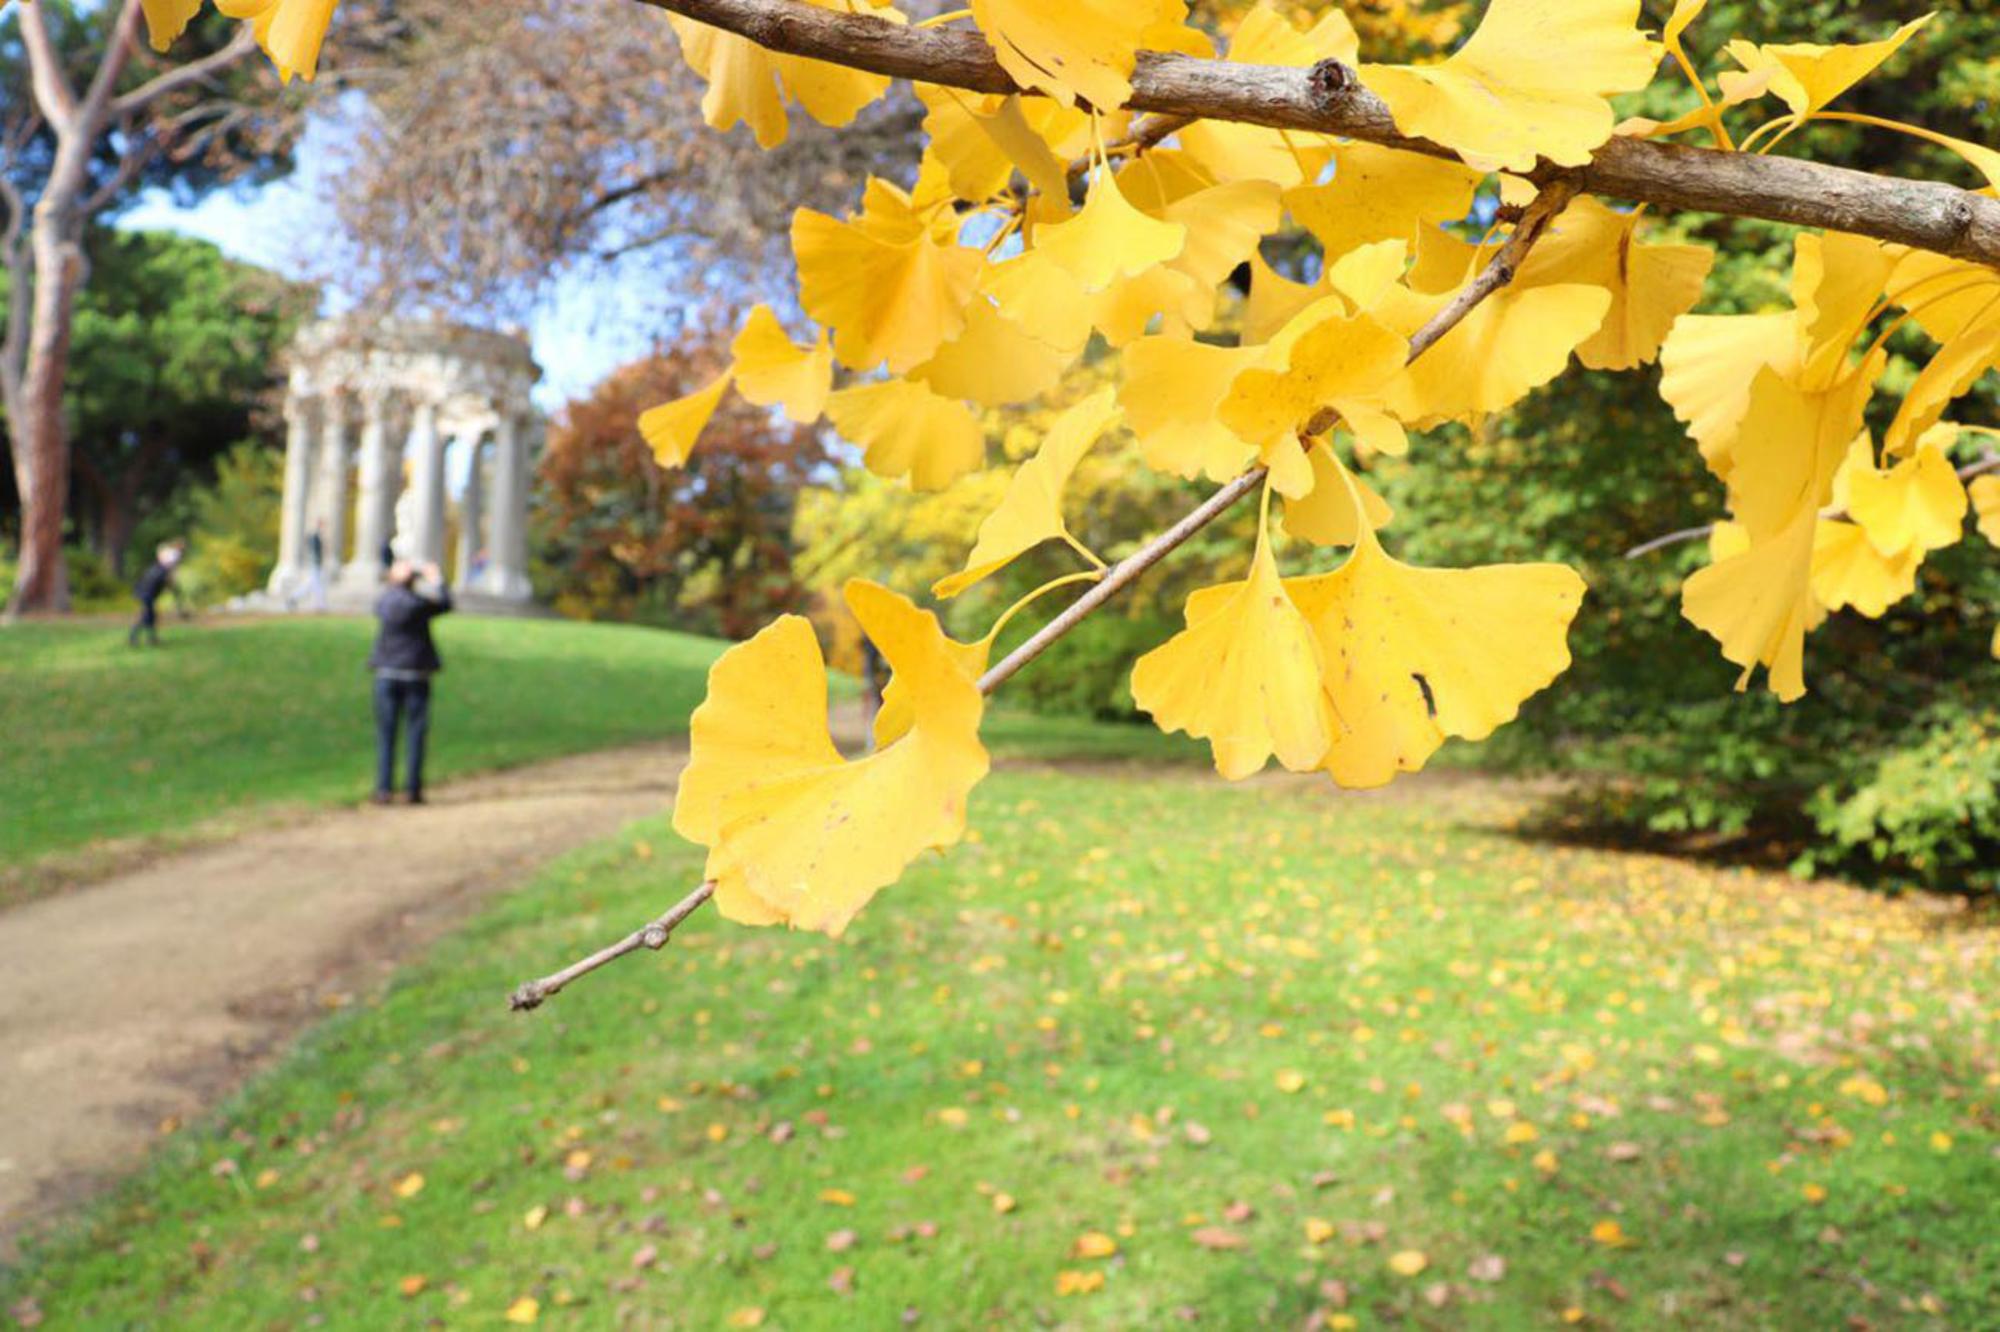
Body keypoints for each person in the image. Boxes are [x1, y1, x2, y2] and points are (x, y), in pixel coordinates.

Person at [368, 560, 452, 805]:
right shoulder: (419, 605)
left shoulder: (386, 601)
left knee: (386, 734)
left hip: (386, 674)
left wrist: (396, 577)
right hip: (415, 674)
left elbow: (383, 600)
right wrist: (436, 579)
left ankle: (384, 789)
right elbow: (446, 603)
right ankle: (412, 789)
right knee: (415, 733)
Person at [128, 541, 185, 647]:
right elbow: (169, 586)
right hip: (146, 595)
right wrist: (178, 601)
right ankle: (136, 638)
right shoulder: (162, 571)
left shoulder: (158, 568)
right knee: (147, 617)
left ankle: (149, 638)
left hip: (145, 594)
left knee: (150, 616)